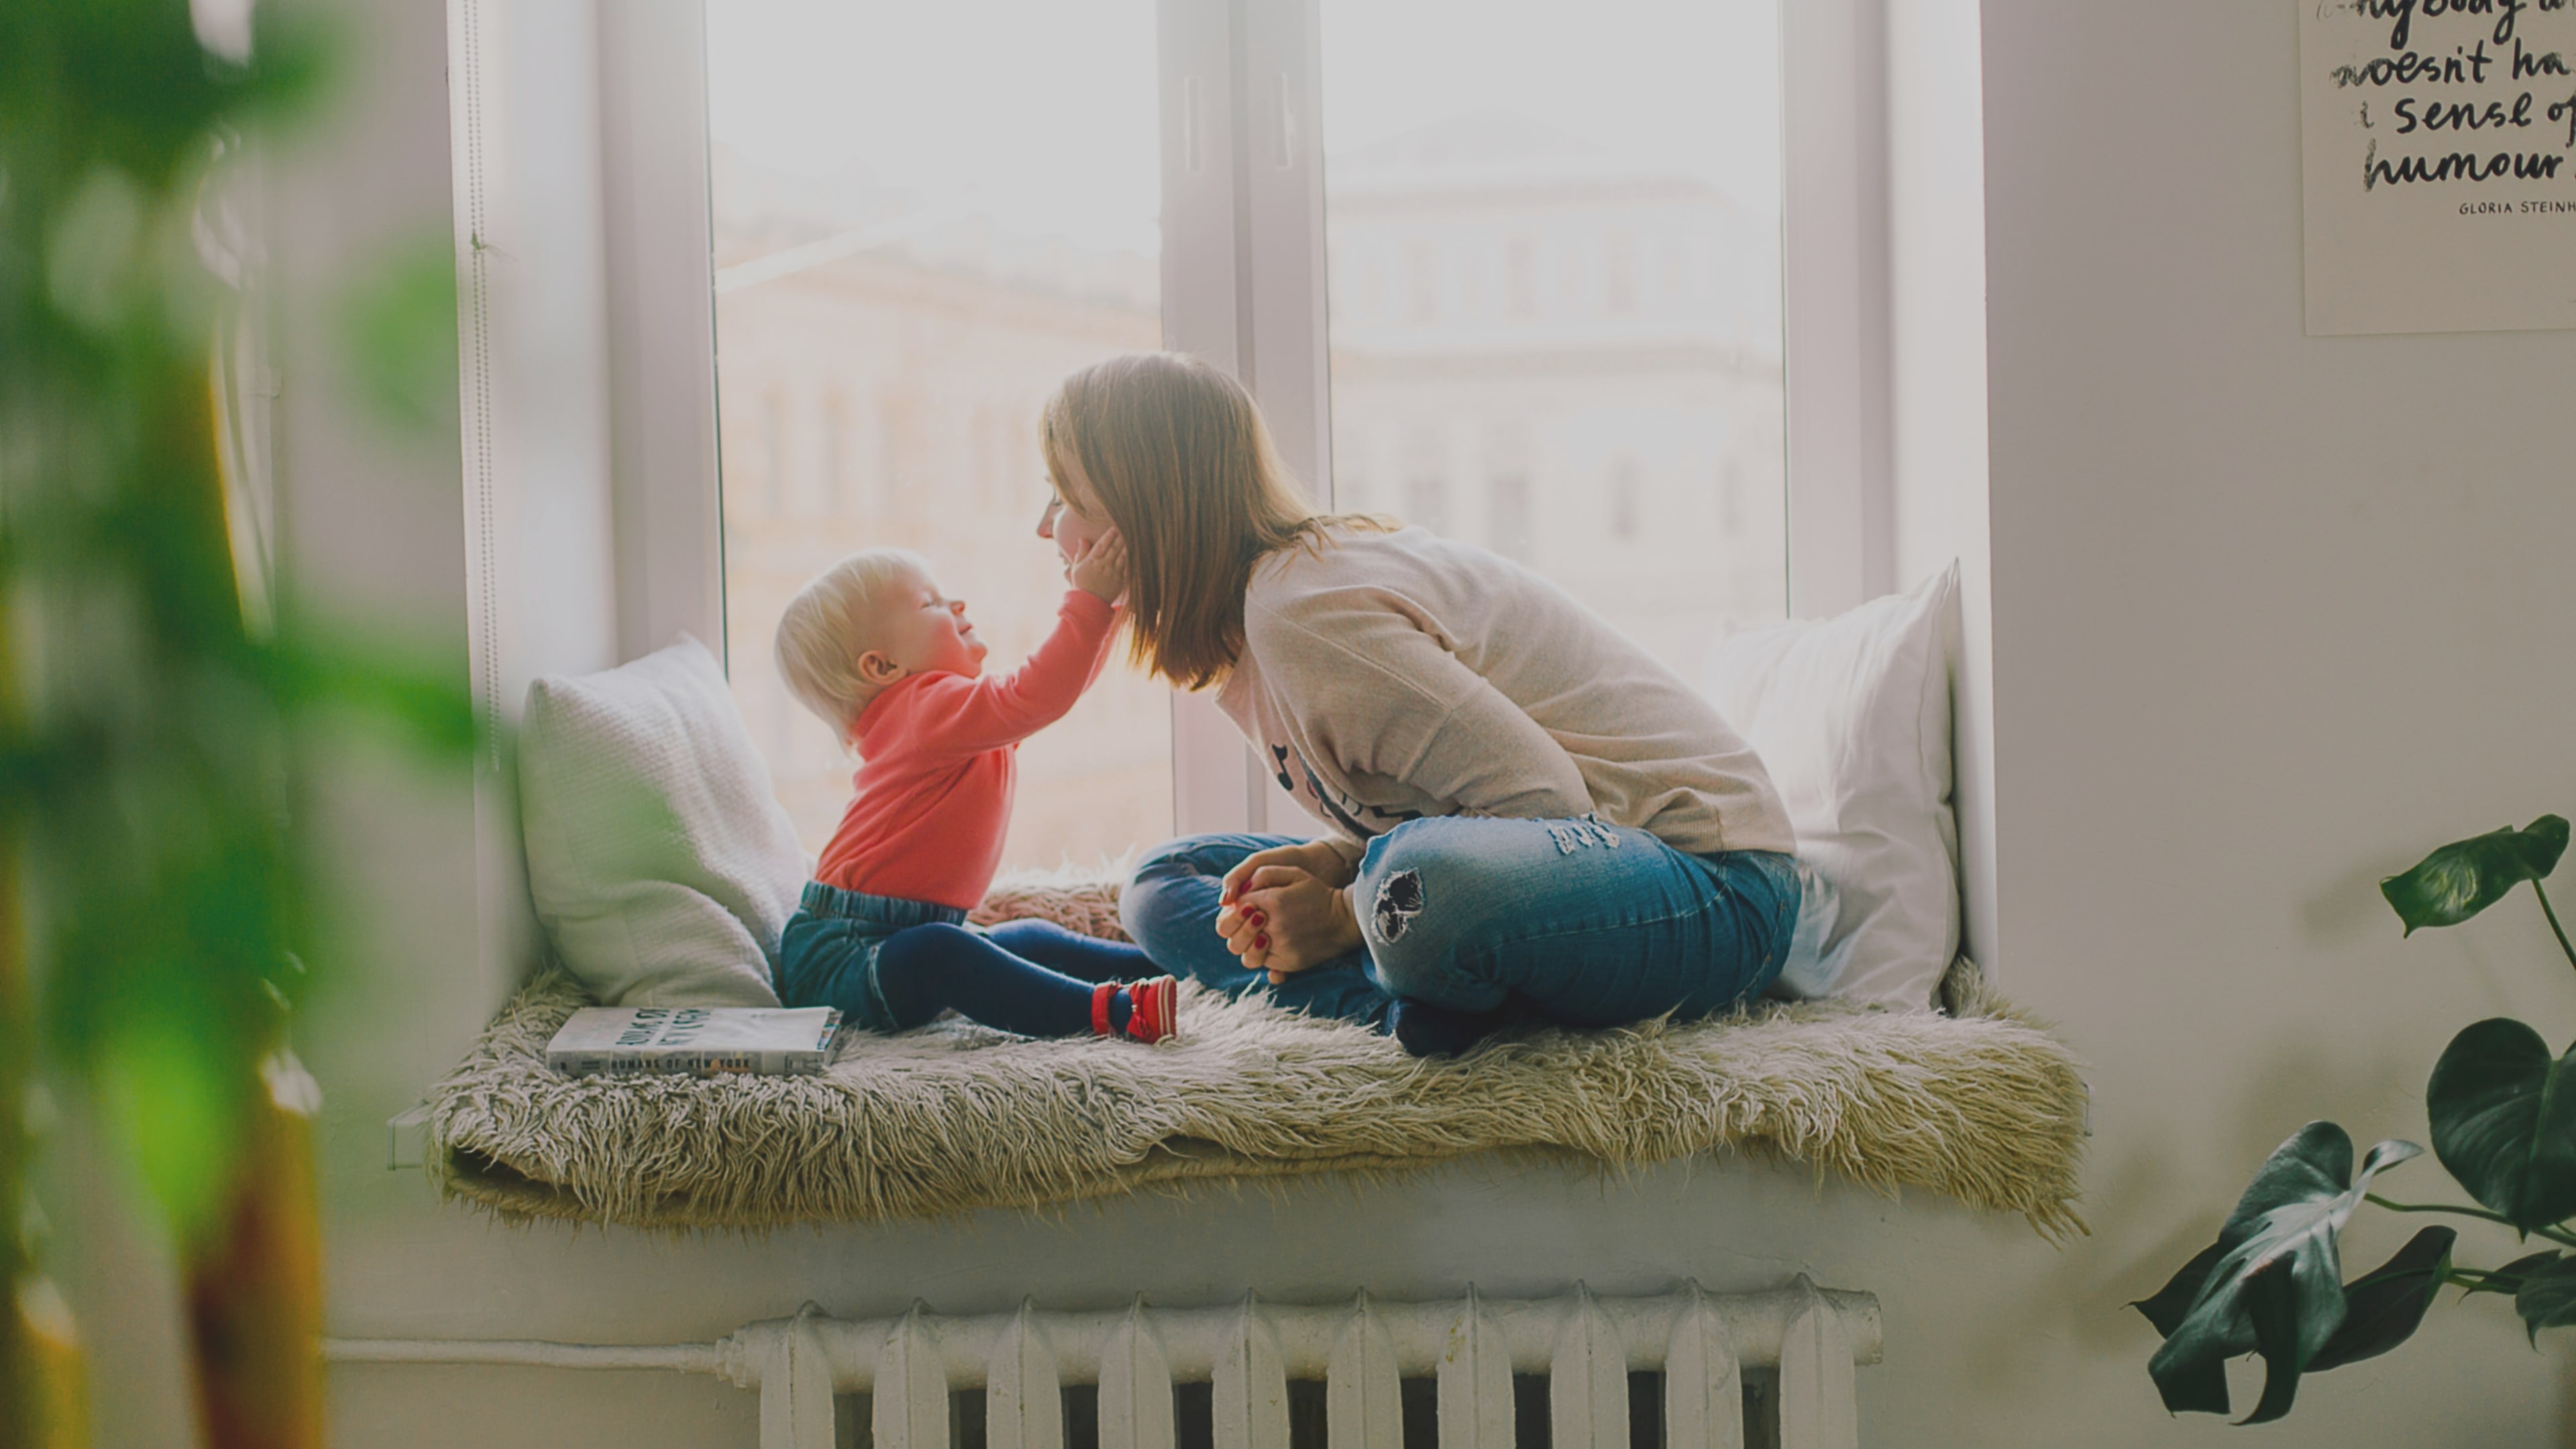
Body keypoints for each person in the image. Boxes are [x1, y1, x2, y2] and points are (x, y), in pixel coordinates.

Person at [1038, 352, 1799, 1056]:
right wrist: (1341, 865)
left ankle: (1408, 985)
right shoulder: (1255, 628)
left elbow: (1547, 803)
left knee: (1417, 884)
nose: (1047, 527)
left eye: (1068, 496)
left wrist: (1340, 914)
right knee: (1165, 883)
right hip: (1555, 869)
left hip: (1713, 886)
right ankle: (1413, 1004)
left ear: (1149, 513)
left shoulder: (1303, 614)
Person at [770, 537, 1180, 1043]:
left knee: (1027, 939)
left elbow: (1055, 693)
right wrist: (1091, 603)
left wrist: (1111, 609)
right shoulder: (924, 711)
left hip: (895, 936)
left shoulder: (947, 718)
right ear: (882, 667)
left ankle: (1171, 967)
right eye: (930, 603)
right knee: (944, 954)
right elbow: (1039, 693)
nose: (956, 604)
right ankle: (1112, 1012)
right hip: (843, 958)